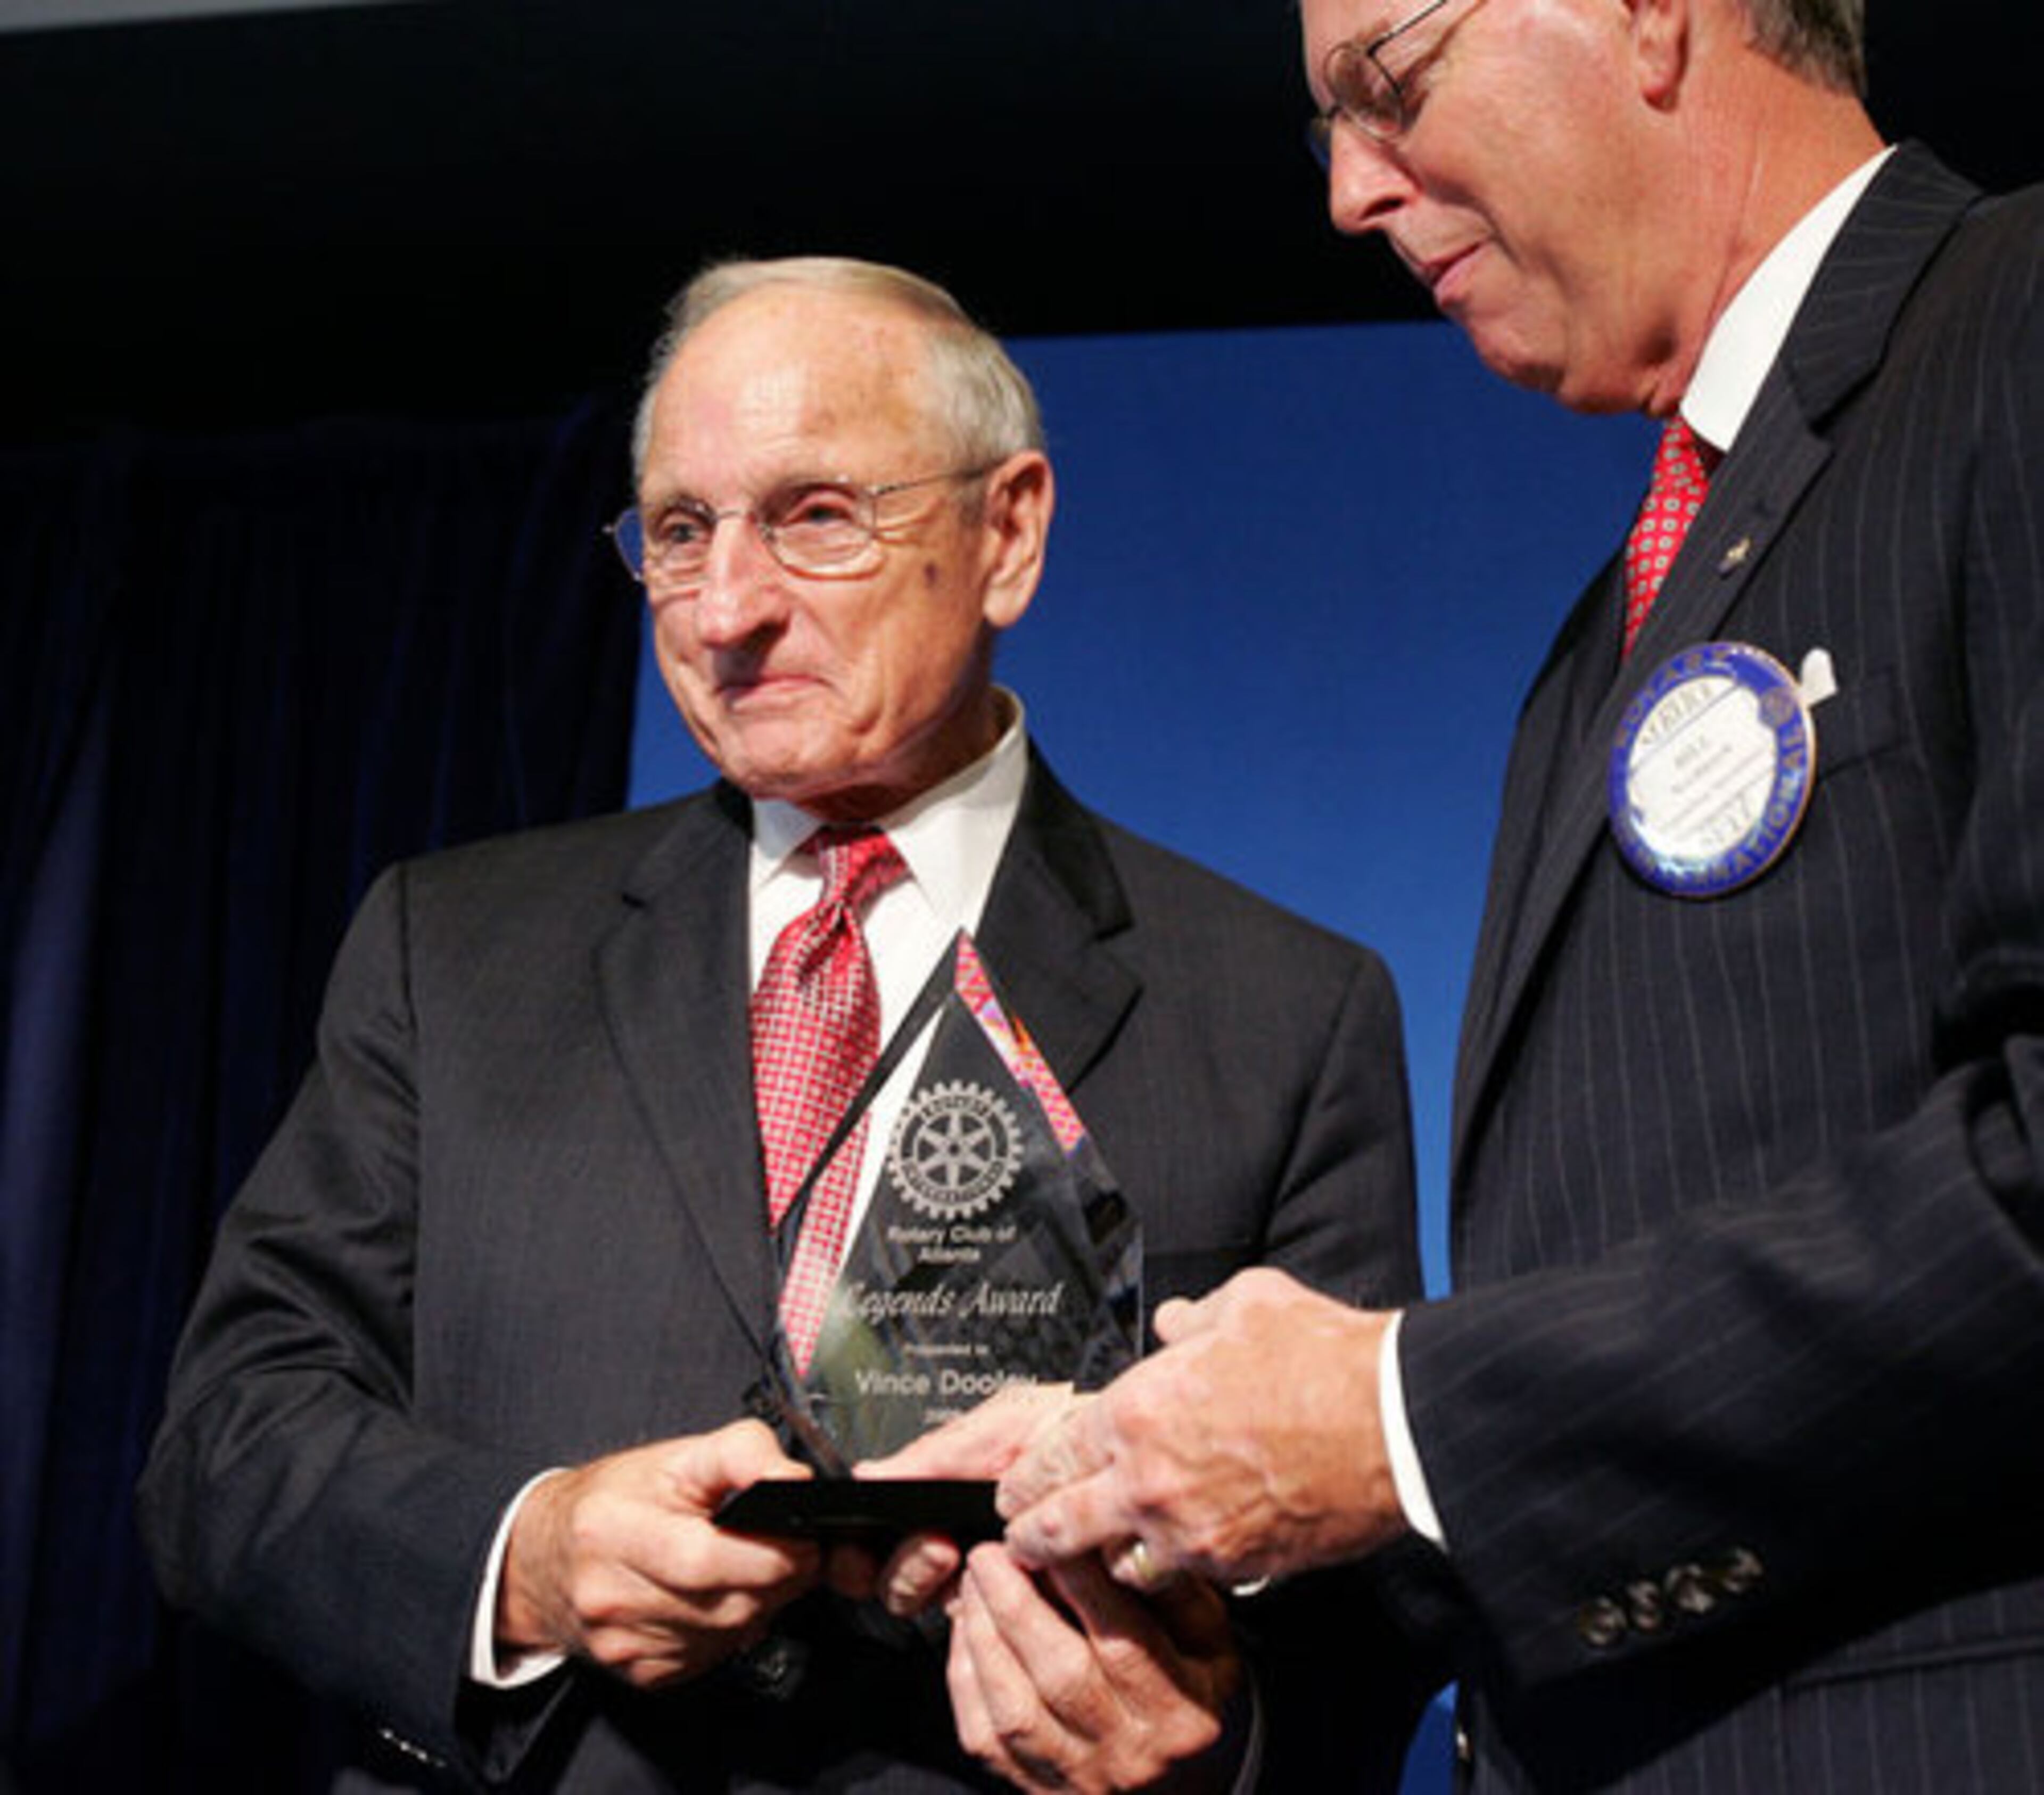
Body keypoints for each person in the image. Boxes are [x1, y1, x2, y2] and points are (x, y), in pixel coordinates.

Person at [908, 2, 2044, 1789]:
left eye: (1389, 85)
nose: (1353, 191)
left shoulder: (2020, 327)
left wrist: (1392, 1411)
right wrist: (1167, 1480)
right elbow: (1639, 1357)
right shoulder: (1603, 647)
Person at [137, 256, 1435, 1793]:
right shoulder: (452, 950)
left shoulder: (1284, 1010)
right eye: (680, 533)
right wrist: (531, 1552)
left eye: (817, 515)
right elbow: (227, 1447)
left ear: (1006, 531)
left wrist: (1212, 1747)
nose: (728, 608)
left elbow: (1373, 1602)